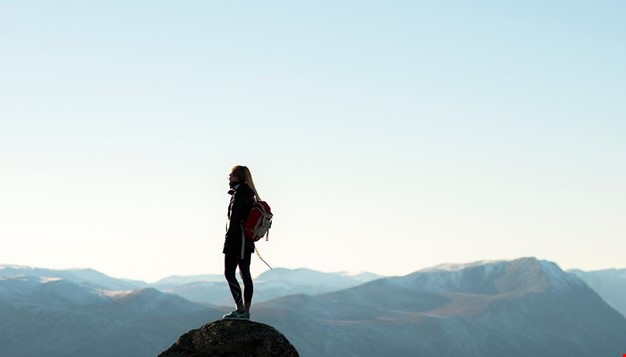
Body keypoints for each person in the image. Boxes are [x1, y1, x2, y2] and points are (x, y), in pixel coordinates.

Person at [222, 165, 260, 320]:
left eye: (231, 175)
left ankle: (240, 309)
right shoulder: (250, 194)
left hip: (237, 241)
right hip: (248, 241)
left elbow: (235, 221)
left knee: (229, 273)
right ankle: (246, 311)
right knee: (245, 275)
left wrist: (228, 242)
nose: (228, 177)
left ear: (239, 177)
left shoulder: (239, 194)